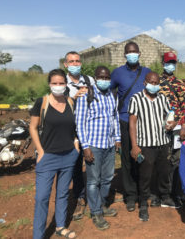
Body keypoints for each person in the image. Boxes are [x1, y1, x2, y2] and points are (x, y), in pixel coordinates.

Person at [29, 69, 79, 239]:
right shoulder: (42, 102)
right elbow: (33, 127)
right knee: (42, 197)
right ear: (49, 84)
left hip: (68, 156)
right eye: (54, 83)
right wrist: (40, 151)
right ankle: (38, 235)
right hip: (47, 157)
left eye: (61, 83)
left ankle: (60, 226)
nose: (58, 86)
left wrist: (76, 144)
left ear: (66, 84)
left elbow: (74, 127)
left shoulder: (71, 102)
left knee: (63, 194)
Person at [75, 66, 121, 230]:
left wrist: (117, 138)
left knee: (108, 178)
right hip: (93, 145)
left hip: (108, 144)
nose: (104, 80)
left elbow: (114, 117)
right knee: (93, 181)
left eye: (107, 77)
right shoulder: (87, 94)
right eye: (101, 77)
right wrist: (85, 147)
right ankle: (95, 212)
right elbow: (79, 123)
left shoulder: (111, 94)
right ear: (95, 78)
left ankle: (101, 205)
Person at [128, 71, 175, 221]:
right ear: (145, 83)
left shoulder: (163, 98)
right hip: (145, 144)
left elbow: (169, 116)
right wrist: (134, 146)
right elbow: (132, 123)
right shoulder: (136, 99)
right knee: (145, 175)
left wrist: (172, 123)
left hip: (162, 142)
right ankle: (143, 203)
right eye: (151, 82)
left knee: (164, 171)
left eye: (156, 83)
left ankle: (165, 196)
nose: (154, 85)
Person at [110, 41, 151, 212]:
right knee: (127, 159)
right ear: (125, 54)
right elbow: (110, 93)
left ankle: (143, 194)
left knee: (142, 159)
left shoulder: (147, 73)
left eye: (135, 51)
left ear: (139, 53)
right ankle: (130, 195)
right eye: (129, 52)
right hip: (125, 121)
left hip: (145, 123)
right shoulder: (117, 73)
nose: (132, 54)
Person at [63, 51, 95, 221]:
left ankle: (93, 194)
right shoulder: (61, 83)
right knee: (75, 166)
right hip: (71, 132)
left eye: (77, 61)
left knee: (92, 162)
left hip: (90, 130)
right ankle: (80, 197)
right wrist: (73, 99)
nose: (75, 64)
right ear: (65, 64)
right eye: (71, 61)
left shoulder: (90, 80)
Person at [158, 51, 185, 207]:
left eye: (173, 63)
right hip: (160, 128)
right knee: (162, 160)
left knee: (176, 159)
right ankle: (162, 194)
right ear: (162, 63)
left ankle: (174, 192)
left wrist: (182, 125)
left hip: (176, 129)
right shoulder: (156, 82)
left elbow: (183, 107)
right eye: (168, 62)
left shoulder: (180, 84)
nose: (170, 65)